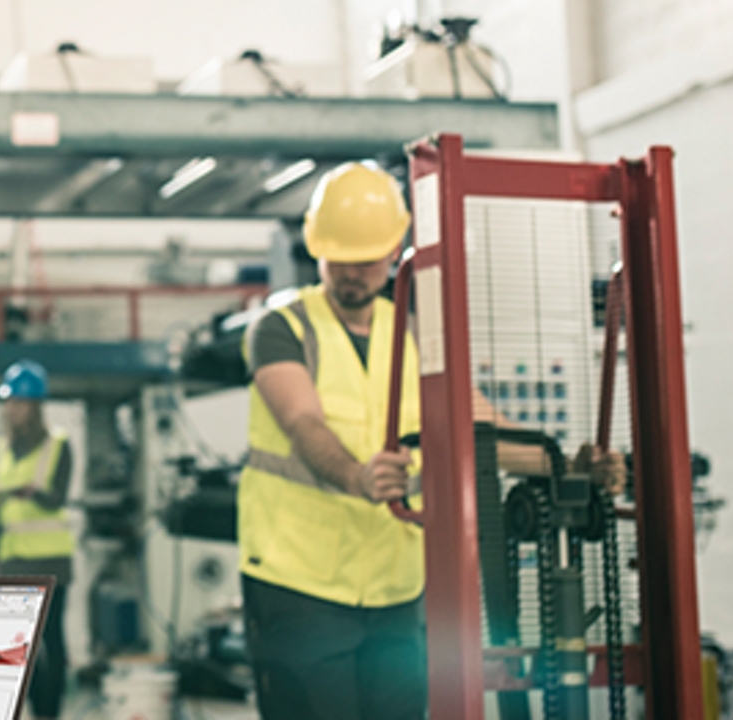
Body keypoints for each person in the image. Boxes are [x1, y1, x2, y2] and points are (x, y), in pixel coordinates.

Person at [238, 162, 623, 720]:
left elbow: (482, 429)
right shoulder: (282, 328)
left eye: (367, 259)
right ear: (317, 250)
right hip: (299, 587)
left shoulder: (417, 334)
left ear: (395, 250)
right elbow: (303, 425)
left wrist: (569, 466)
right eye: (340, 259)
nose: (353, 274)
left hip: (395, 590)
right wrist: (357, 476)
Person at [0, 359, 74, 720]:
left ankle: (51, 714)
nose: (11, 410)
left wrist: (19, 490)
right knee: (20, 649)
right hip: (12, 562)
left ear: (35, 406)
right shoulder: (1, 449)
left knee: (52, 644)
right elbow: (0, 511)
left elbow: (56, 498)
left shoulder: (58, 445)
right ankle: (30, 712)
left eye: (18, 403)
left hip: (50, 562)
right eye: (9, 402)